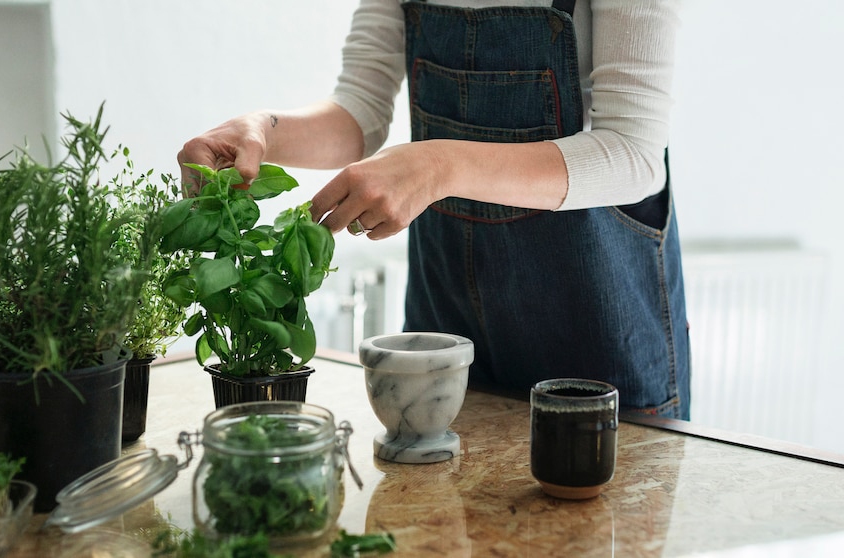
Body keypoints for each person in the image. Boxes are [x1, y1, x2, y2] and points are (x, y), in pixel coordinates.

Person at [178, 0, 691, 419]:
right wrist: (261, 129)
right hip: (448, 326)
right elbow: (361, 107)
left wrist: (438, 164)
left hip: (596, 331)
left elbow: (631, 153)